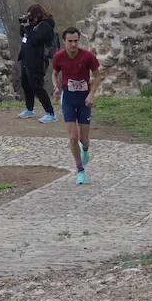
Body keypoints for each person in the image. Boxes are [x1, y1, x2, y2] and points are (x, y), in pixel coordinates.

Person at [51, 26, 100, 185]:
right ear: (64, 42)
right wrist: (56, 88)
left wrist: (91, 95)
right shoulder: (59, 57)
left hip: (84, 99)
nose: (73, 44)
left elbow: (97, 77)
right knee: (73, 137)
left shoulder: (88, 57)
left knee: (84, 140)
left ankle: (85, 150)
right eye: (70, 41)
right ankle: (80, 170)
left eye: (76, 41)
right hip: (69, 98)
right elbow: (54, 73)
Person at [16, 4, 57, 123]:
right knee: (26, 84)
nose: (29, 18)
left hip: (37, 61)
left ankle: (50, 113)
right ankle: (29, 109)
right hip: (26, 59)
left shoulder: (46, 25)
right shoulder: (33, 25)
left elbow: (36, 40)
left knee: (37, 86)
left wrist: (28, 28)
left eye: (31, 16)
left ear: (37, 14)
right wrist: (23, 26)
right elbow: (23, 35)